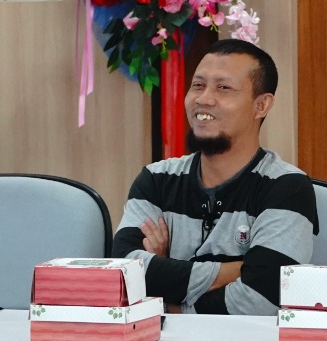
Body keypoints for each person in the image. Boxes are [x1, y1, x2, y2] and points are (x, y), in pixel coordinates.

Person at [112, 39, 316, 315]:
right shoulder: (157, 179)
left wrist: (167, 302)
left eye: (223, 88)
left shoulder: (286, 187)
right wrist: (236, 270)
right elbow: (123, 274)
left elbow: (261, 300)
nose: (203, 99)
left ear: (261, 105)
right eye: (198, 85)